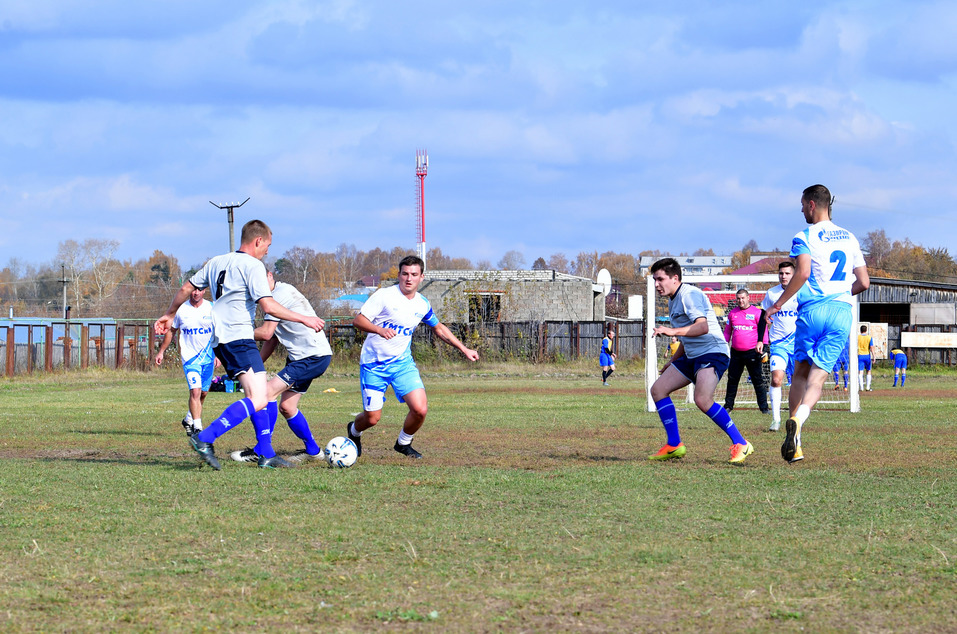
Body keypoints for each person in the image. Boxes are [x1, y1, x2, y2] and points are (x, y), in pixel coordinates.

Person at [154, 219, 324, 470]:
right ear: (258, 241)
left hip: (221, 339)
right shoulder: (253, 265)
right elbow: (268, 305)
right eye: (268, 245)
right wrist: (304, 318)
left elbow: (186, 287)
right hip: (238, 337)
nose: (268, 250)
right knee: (258, 397)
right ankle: (205, 438)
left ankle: (266, 453)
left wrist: (169, 313)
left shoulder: (216, 262)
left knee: (259, 395)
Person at [765, 185, 869, 464]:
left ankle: (794, 439)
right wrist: (842, 294)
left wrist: (778, 304)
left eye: (802, 205)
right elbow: (864, 282)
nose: (801, 210)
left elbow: (804, 272)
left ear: (811, 205)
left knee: (799, 373)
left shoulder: (804, 236)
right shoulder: (850, 237)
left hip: (812, 311)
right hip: (841, 312)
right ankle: (800, 420)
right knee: (819, 378)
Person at [346, 255, 479, 460]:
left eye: (414, 275)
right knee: (372, 419)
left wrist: (463, 348)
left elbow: (438, 328)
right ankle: (354, 432)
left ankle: (403, 443)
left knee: (420, 409)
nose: (409, 279)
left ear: (421, 277)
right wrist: (379, 330)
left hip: (402, 364)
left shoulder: (422, 304)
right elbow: (358, 320)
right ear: (399, 275)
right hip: (374, 365)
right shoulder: (384, 296)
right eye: (405, 274)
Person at [648, 258, 754, 464]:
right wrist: (673, 360)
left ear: (675, 278)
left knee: (702, 399)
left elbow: (702, 327)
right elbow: (688, 337)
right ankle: (674, 444)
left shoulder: (690, 295)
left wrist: (672, 331)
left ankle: (741, 443)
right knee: (658, 390)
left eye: (660, 279)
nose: (656, 285)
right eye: (654, 280)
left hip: (713, 352)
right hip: (692, 354)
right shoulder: (673, 299)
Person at [230, 271, 333, 464]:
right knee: (287, 406)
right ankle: (313, 451)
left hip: (311, 356)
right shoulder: (276, 296)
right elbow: (273, 338)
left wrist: (234, 333)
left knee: (265, 393)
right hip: (304, 356)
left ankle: (262, 450)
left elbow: (266, 333)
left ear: (269, 275)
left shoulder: (277, 296)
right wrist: (254, 366)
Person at [154, 286, 215, 437]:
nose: (196, 293)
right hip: (190, 358)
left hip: (209, 357)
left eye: (199, 290)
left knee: (203, 393)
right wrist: (161, 351)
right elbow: (171, 331)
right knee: (195, 391)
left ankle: (188, 419)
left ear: (204, 291)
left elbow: (219, 331)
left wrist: (219, 354)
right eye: (193, 290)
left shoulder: (211, 308)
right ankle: (198, 428)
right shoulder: (181, 309)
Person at [759, 261, 800, 432]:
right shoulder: (771, 293)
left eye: (787, 273)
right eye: (781, 273)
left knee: (799, 382)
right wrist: (761, 339)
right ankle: (776, 420)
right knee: (776, 379)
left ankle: (796, 419)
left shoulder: (802, 292)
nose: (783, 276)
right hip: (778, 343)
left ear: (794, 274)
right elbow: (763, 316)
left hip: (798, 343)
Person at [723, 288, 770, 414]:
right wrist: (722, 345)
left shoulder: (757, 312)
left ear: (748, 298)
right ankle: (728, 406)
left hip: (753, 352)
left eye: (743, 298)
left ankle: (764, 408)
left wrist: (764, 347)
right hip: (736, 353)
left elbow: (764, 331)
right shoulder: (732, 313)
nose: (740, 301)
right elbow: (727, 332)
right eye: (738, 298)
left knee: (758, 380)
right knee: (732, 380)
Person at [858, 325, 875, 392]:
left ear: (860, 330)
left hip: (860, 355)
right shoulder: (869, 337)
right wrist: (874, 356)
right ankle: (868, 387)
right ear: (866, 330)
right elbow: (871, 347)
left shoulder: (858, 337)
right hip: (867, 355)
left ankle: (861, 387)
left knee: (860, 371)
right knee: (868, 371)